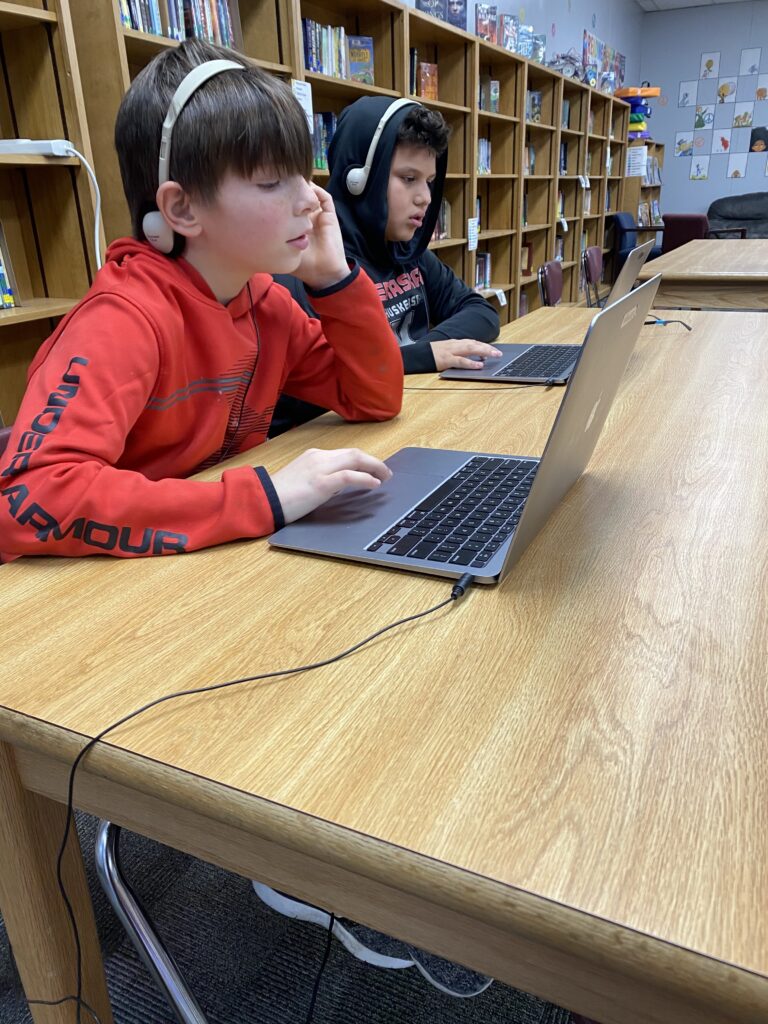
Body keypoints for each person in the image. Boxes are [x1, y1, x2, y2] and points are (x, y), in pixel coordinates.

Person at [0, 40, 402, 561]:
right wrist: (264, 497)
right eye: (272, 181)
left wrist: (333, 281)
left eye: (303, 174)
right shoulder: (122, 321)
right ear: (182, 208)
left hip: (210, 567)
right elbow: (29, 500)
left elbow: (374, 399)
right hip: (107, 598)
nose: (312, 200)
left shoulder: (264, 302)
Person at [269, 96, 501, 434]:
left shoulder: (409, 252)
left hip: (410, 414)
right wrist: (424, 357)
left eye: (430, 182)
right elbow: (320, 390)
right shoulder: (312, 268)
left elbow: (481, 312)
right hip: (342, 439)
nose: (425, 197)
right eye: (408, 178)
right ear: (358, 179)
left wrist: (417, 354)